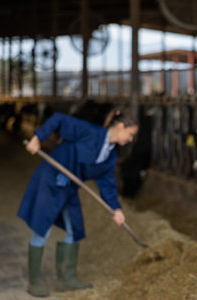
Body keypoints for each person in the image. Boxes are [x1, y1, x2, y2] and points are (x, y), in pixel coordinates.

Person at [17, 108, 138, 297]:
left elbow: (107, 184)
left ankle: (66, 279)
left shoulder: (110, 156)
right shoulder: (88, 131)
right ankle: (34, 282)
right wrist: (37, 138)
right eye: (130, 134)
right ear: (121, 126)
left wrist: (116, 209)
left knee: (75, 229)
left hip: (70, 187)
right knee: (43, 228)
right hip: (51, 180)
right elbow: (58, 118)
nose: (130, 139)